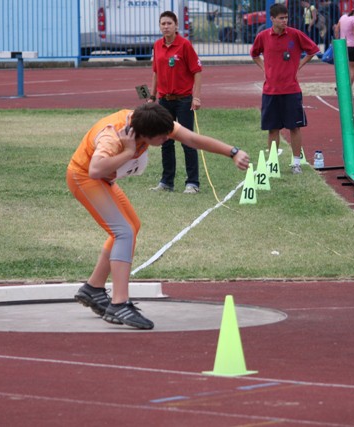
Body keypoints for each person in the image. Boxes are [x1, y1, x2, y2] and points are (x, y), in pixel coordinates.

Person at [68, 103, 250, 329]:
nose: (167, 139)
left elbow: (191, 139)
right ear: (145, 134)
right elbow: (95, 169)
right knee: (123, 231)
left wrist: (232, 151)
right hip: (85, 177)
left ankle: (93, 288)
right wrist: (127, 152)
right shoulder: (113, 136)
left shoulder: (152, 122)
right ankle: (119, 303)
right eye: (162, 138)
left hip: (104, 179)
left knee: (131, 226)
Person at [250, 3, 320, 174]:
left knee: (294, 127)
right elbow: (254, 54)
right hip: (270, 91)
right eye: (281, 18)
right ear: (272, 19)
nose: (284, 21)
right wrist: (264, 68)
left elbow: (312, 50)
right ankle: (272, 163)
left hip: (291, 90)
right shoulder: (263, 36)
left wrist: (299, 66)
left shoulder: (295, 35)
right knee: (273, 129)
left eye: (286, 17)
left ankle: (296, 163)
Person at [149, 11, 203, 194]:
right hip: (165, 100)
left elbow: (197, 71)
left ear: (176, 25)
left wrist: (196, 97)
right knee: (165, 140)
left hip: (184, 100)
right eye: (163, 23)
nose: (166, 26)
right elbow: (155, 72)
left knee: (188, 140)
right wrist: (152, 95)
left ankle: (193, 183)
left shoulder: (185, 45)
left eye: (169, 23)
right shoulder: (157, 45)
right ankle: (167, 182)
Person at [334, 2, 354, 86]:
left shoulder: (343, 17)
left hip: (342, 46)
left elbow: (336, 29)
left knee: (343, 68)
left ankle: (340, 87)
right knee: (352, 68)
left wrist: (338, 40)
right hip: (351, 46)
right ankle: (348, 89)